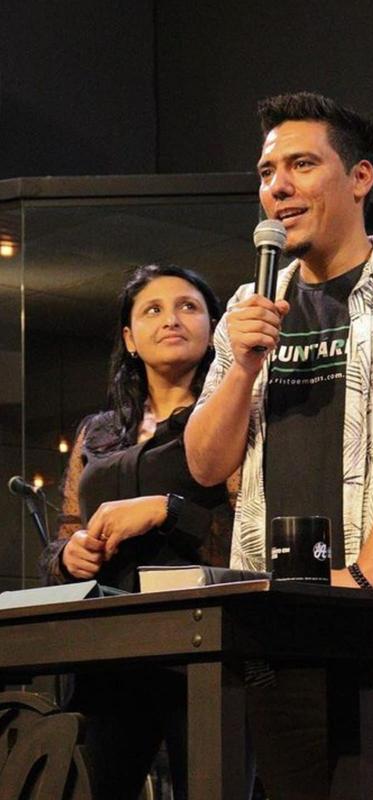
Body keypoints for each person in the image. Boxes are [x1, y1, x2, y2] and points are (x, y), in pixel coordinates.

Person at [184, 92, 373, 800]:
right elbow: (205, 463)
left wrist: (360, 583)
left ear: (360, 178)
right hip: (282, 645)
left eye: (301, 164)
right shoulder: (246, 310)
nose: (278, 187)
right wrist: (243, 367)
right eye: (267, 172)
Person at [41, 263, 234, 800]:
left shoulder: (233, 415)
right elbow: (63, 535)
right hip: (110, 649)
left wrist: (168, 511)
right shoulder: (97, 432)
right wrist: (69, 555)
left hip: (202, 646)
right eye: (153, 309)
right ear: (129, 338)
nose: (171, 319)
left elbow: (251, 531)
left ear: (214, 327)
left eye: (188, 307)